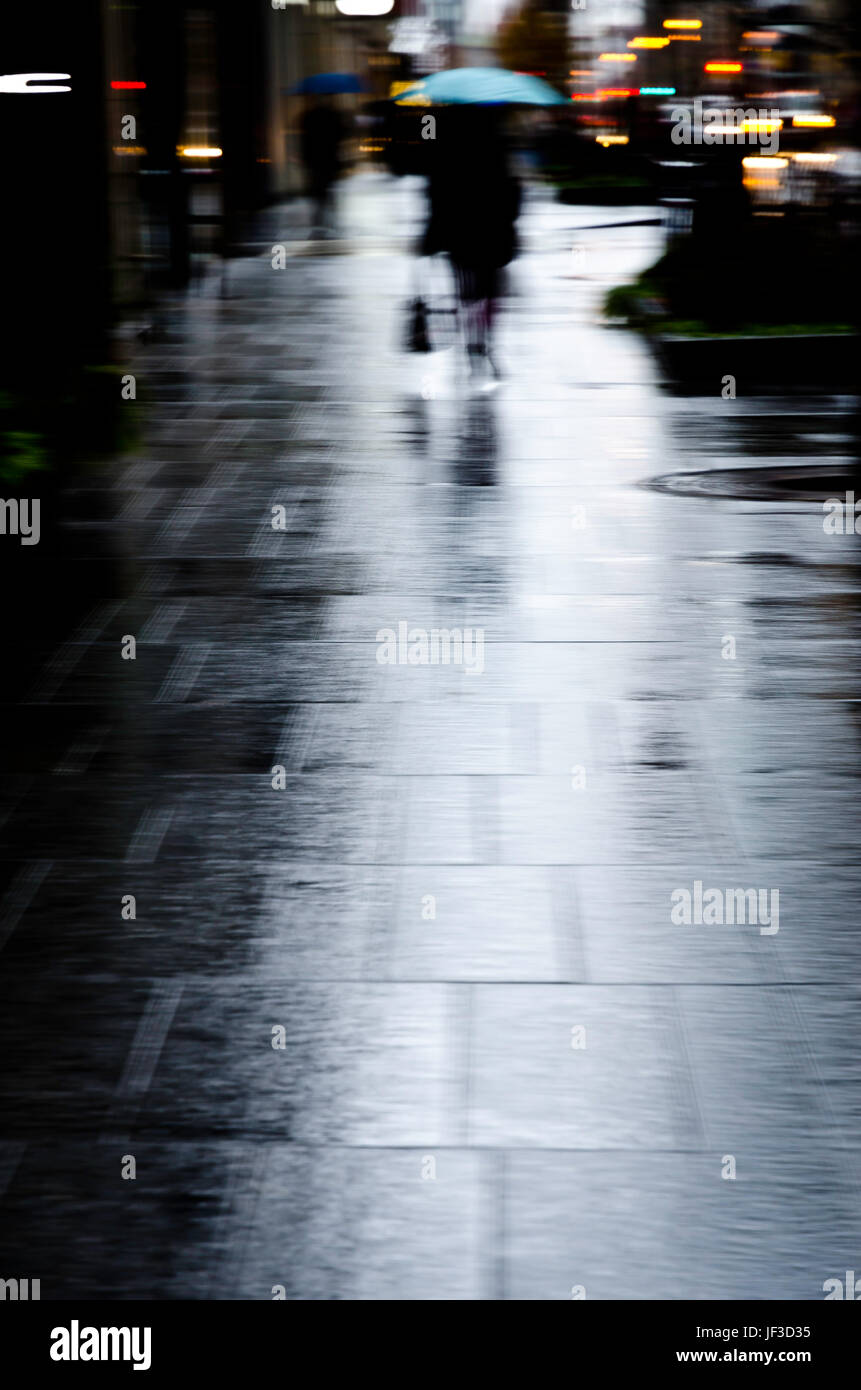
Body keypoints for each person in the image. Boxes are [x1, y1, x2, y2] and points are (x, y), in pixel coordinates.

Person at [421, 106, 521, 380]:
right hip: (493, 230)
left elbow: (434, 193)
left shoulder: (444, 144)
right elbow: (512, 189)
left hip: (459, 231)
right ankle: (485, 339)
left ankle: (471, 340)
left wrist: (432, 233)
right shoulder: (497, 143)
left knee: (466, 290)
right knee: (490, 290)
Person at [299, 98, 344, 236]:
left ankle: (319, 215)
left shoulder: (308, 116)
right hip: (329, 157)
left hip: (315, 158)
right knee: (329, 186)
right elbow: (341, 134)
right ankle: (330, 214)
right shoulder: (333, 115)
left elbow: (304, 138)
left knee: (318, 186)